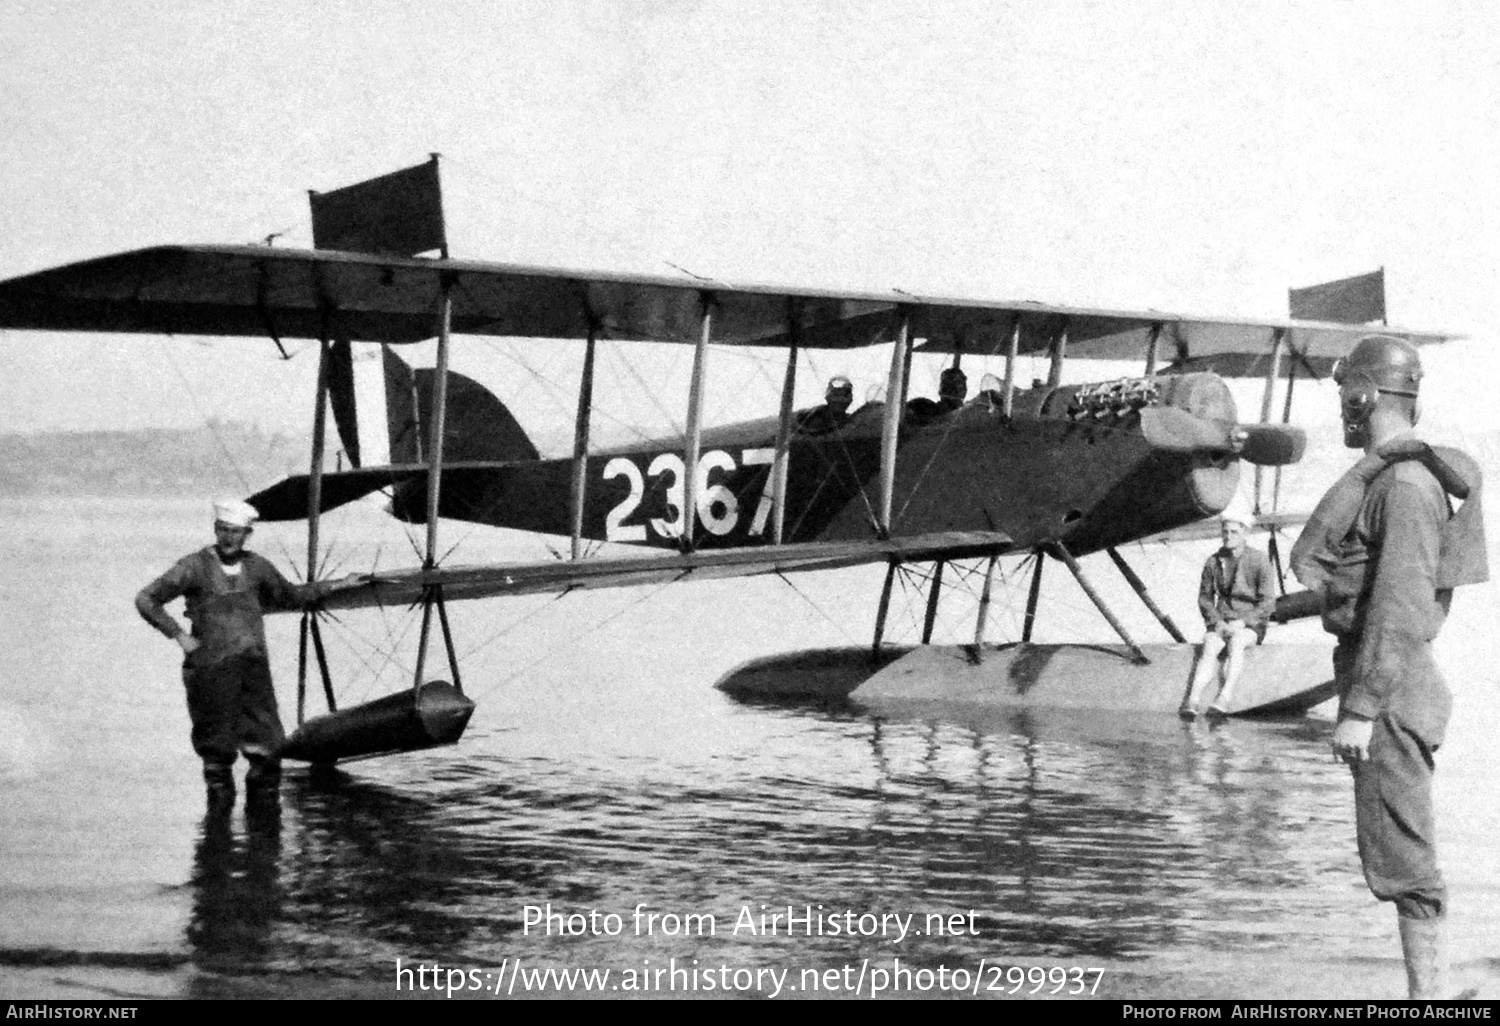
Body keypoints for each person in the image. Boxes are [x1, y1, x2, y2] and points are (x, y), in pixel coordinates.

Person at [1293, 334, 1486, 999]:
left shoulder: (1402, 482)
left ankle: (1428, 1000)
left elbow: (1401, 606)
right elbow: (1371, 586)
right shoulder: (1401, 477)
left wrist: (1360, 710)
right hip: (1394, 679)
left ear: (1363, 394)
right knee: (1395, 849)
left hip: (1391, 688)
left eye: (1346, 394)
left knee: (1404, 860)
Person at [135, 500, 316, 805]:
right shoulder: (193, 566)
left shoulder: (258, 567)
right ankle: (218, 835)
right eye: (223, 530)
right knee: (216, 749)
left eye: (236, 532)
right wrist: (179, 635)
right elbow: (146, 599)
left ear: (248, 533)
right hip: (210, 669)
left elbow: (291, 596)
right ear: (215, 530)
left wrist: (337, 586)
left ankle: (263, 835)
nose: (229, 538)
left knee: (268, 746)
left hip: (253, 666)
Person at [1181, 502, 1275, 717]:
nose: (1228, 536)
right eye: (1225, 531)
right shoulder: (1213, 562)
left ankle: (1225, 696)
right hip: (1222, 622)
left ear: (1245, 533)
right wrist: (1217, 623)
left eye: (1234, 531)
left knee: (1238, 642)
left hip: (1250, 624)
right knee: (1210, 645)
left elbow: (1268, 601)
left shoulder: (1259, 560)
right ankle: (1192, 700)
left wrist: (1243, 622)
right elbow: (1205, 599)